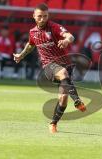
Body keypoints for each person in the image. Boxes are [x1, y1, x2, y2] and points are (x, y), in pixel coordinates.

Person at [13, 3, 86, 133]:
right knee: (63, 73)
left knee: (63, 99)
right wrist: (21, 55)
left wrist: (66, 41)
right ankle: (77, 100)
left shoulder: (54, 27)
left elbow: (70, 36)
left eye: (45, 16)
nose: (42, 19)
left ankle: (53, 123)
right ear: (34, 16)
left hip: (65, 65)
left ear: (48, 15)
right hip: (49, 65)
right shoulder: (33, 32)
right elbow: (30, 45)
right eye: (39, 16)